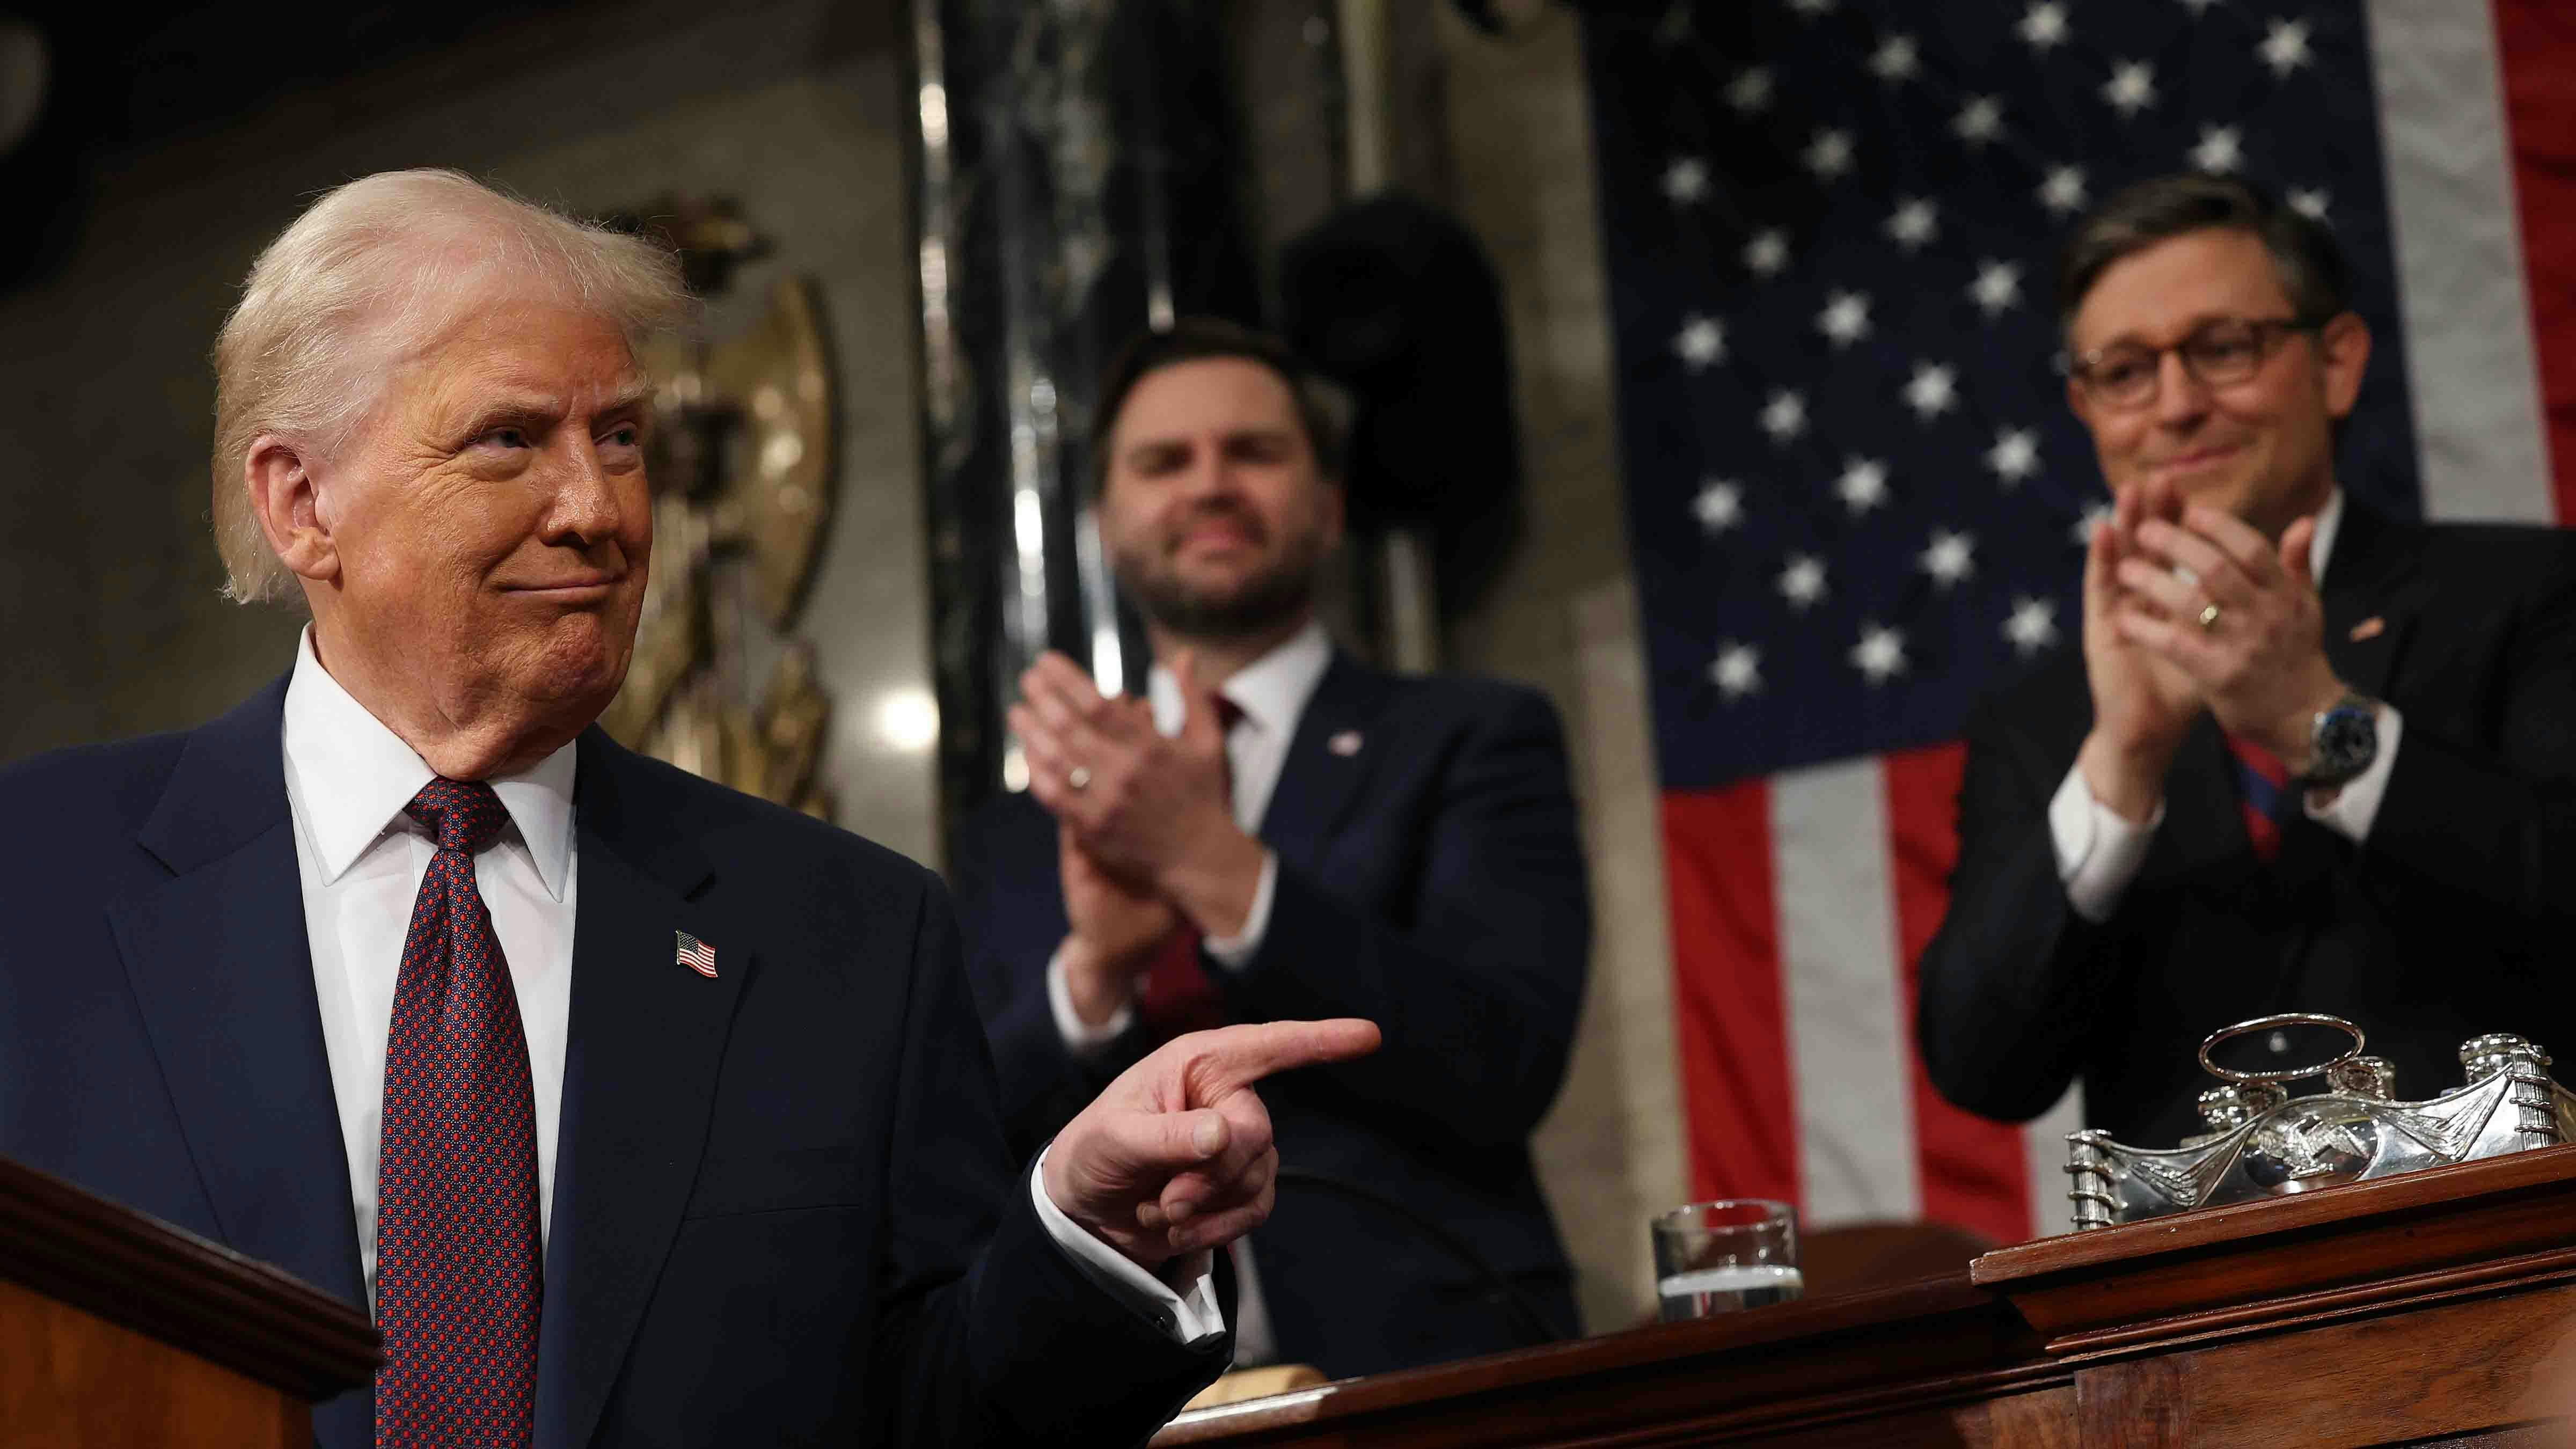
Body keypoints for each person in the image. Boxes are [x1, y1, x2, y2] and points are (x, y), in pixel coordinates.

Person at [0, 170, 1382, 1449]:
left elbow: (931, 1409)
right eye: (508, 442)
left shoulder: (849, 934)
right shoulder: (37, 887)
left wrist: (1087, 1239)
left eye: (620, 438)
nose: (598, 510)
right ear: (304, 504)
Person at [951, 318, 1589, 1380]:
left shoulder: (1472, 736)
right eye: (1165, 462)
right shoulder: (1016, 832)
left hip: (1434, 1376)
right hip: (1110, 1399)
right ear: (1108, 524)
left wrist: (1216, 867)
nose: (1211, 484)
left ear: (1329, 507)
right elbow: (964, 1154)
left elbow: (1506, 1062)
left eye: (1252, 452)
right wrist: (1095, 974)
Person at [1917, 174, 2576, 1151]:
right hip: (2204, 1295)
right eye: (2126, 372)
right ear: (2087, 407)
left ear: (2337, 362)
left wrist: (2321, 727)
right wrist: (2121, 766)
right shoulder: (2048, 722)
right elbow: (1981, 1067)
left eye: (2223, 350)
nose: (2175, 406)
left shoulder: (2527, 593)